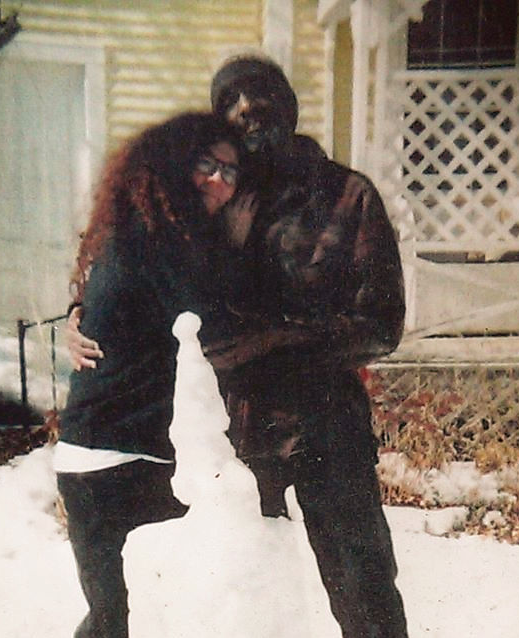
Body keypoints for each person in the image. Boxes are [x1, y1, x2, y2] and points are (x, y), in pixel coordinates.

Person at [69, 56, 408, 638]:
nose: (247, 110)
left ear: (290, 107)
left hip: (325, 424)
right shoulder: (209, 193)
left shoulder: (346, 195)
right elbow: (127, 249)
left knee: (365, 593)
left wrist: (275, 340)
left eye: (260, 95)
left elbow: (382, 323)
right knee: (216, 594)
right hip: (224, 432)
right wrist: (80, 311)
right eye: (231, 101)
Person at [55, 112, 250, 638]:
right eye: (207, 164)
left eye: (232, 172)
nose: (219, 181)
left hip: (108, 455)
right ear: (173, 165)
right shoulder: (159, 243)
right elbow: (217, 328)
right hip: (115, 460)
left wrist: (76, 315)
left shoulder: (142, 232)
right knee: (126, 620)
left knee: (121, 617)